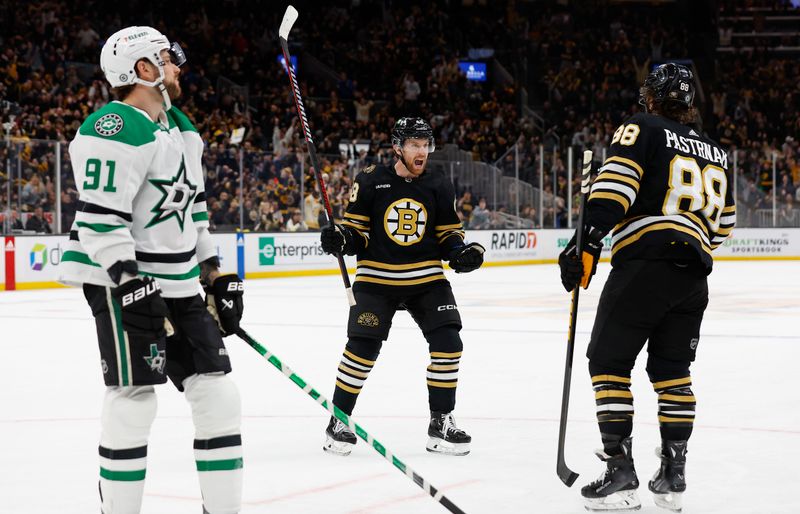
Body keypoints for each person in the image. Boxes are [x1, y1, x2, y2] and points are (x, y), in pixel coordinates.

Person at [58, 26, 245, 514]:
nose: (177, 65)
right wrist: (129, 282)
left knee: (218, 395)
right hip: (121, 280)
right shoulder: (115, 125)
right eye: (168, 57)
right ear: (144, 69)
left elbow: (194, 213)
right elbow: (99, 221)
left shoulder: (180, 127)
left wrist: (215, 274)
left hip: (179, 282)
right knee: (134, 397)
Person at [558, 63, 736, 512]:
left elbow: (614, 187)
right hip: (694, 275)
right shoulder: (716, 151)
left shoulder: (641, 128)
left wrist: (585, 241)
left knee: (608, 361)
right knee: (673, 374)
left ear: (653, 96)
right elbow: (724, 225)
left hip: (646, 265)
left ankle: (620, 471)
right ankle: (673, 475)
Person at [319, 117, 485, 457]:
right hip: (377, 279)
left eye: (426, 145)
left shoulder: (438, 183)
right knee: (362, 350)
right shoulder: (370, 180)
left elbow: (447, 234)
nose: (422, 151)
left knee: (449, 343)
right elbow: (357, 232)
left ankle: (440, 423)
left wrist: (460, 253)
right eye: (415, 145)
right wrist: (342, 238)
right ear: (398, 147)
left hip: (426, 278)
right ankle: (338, 421)